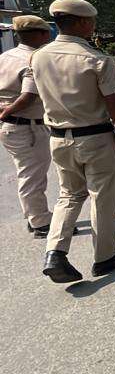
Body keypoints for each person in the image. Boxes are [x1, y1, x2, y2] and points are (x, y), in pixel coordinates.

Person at [33, 0, 115, 283]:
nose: (93, 26)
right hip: (94, 138)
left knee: (68, 195)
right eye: (91, 21)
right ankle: (105, 257)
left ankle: (54, 252)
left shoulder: (39, 56)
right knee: (102, 197)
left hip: (58, 138)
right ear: (82, 22)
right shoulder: (95, 59)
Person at [0, 15, 56, 238]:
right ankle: (40, 222)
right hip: (27, 126)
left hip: (11, 127)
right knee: (32, 174)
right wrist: (8, 110)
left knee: (27, 172)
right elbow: (28, 96)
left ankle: (33, 216)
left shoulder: (5, 57)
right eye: (46, 33)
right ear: (41, 34)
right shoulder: (33, 59)